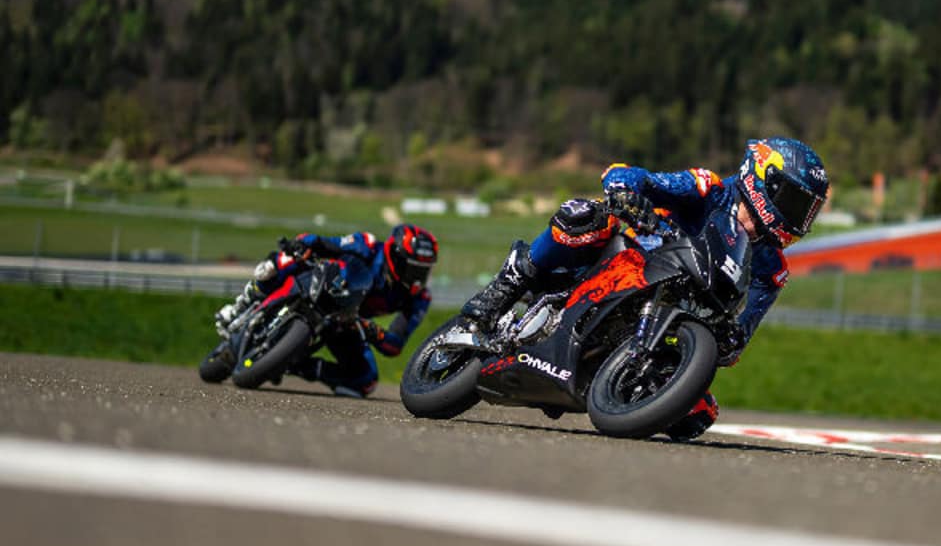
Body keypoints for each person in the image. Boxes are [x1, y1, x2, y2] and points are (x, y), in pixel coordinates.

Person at [460, 136, 828, 438]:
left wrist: (730, 343)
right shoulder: (709, 189)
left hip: (666, 324)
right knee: (585, 215)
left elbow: (740, 334)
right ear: (764, 181)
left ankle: (611, 380)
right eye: (796, 203)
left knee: (696, 417)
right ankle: (511, 280)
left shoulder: (772, 270)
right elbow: (637, 177)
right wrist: (624, 192)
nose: (799, 218)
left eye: (808, 210)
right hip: (629, 261)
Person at [218, 223, 438, 397]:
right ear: (396, 256)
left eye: (423, 271)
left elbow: (394, 344)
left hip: (346, 320)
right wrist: (303, 245)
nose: (417, 278)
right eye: (413, 269)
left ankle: (292, 364)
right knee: (284, 260)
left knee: (366, 381)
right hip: (320, 283)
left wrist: (370, 329)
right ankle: (245, 302)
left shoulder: (419, 297)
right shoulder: (367, 244)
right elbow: (322, 242)